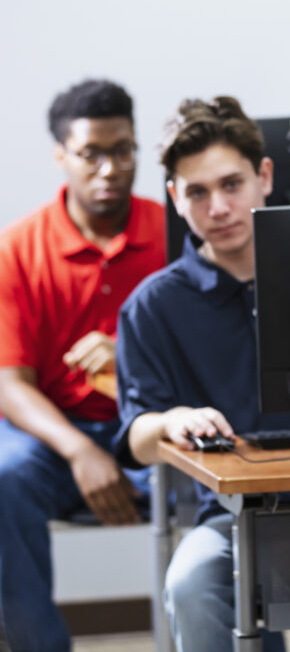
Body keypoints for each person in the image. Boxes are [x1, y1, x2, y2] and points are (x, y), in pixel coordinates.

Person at [113, 96, 290, 652]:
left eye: (231, 184)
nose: (217, 207)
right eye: (196, 192)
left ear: (264, 176)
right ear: (175, 198)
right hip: (238, 519)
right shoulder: (154, 305)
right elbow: (138, 439)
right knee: (191, 584)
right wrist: (172, 419)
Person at [0, 78, 164, 650]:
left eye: (123, 151)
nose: (110, 168)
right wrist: (80, 450)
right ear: (61, 156)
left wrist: (128, 352)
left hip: (151, 427)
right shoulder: (17, 248)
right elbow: (9, 385)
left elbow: (205, 361)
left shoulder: (175, 234)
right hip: (53, 437)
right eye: (91, 153)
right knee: (3, 476)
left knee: (221, 481)